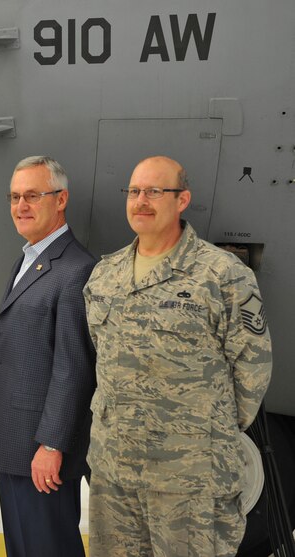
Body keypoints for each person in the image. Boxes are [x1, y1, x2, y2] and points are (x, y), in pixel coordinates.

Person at [84, 156, 273, 557]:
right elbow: (103, 354)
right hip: (115, 472)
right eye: (134, 191)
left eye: (155, 191)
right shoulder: (106, 274)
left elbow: (253, 367)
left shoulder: (222, 274)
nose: (142, 201)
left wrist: (203, 432)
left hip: (190, 481)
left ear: (182, 199)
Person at [0, 156, 96, 557]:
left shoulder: (76, 270)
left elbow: (74, 368)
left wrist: (51, 445)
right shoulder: (30, 258)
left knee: (48, 547)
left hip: (41, 452)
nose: (21, 206)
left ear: (61, 199)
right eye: (14, 197)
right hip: (15, 441)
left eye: (33, 195)